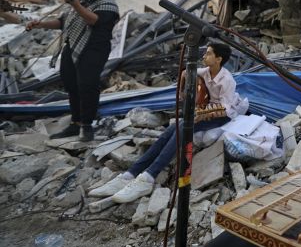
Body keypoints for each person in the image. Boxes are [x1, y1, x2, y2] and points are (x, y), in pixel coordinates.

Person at [89, 43, 249, 203]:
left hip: (222, 115)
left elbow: (225, 108)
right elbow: (186, 72)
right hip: (205, 111)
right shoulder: (206, 72)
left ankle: (149, 177)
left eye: (208, 54)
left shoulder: (227, 80)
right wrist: (181, 91)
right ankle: (130, 174)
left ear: (219, 59)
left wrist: (201, 114)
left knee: (181, 129)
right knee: (171, 129)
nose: (203, 57)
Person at [26, 0, 119, 142]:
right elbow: (62, 22)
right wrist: (40, 24)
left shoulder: (108, 4)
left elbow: (93, 21)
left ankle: (87, 126)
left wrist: (75, 4)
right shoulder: (81, 2)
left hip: (94, 50)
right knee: (71, 84)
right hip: (73, 47)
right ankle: (75, 123)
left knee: (87, 85)